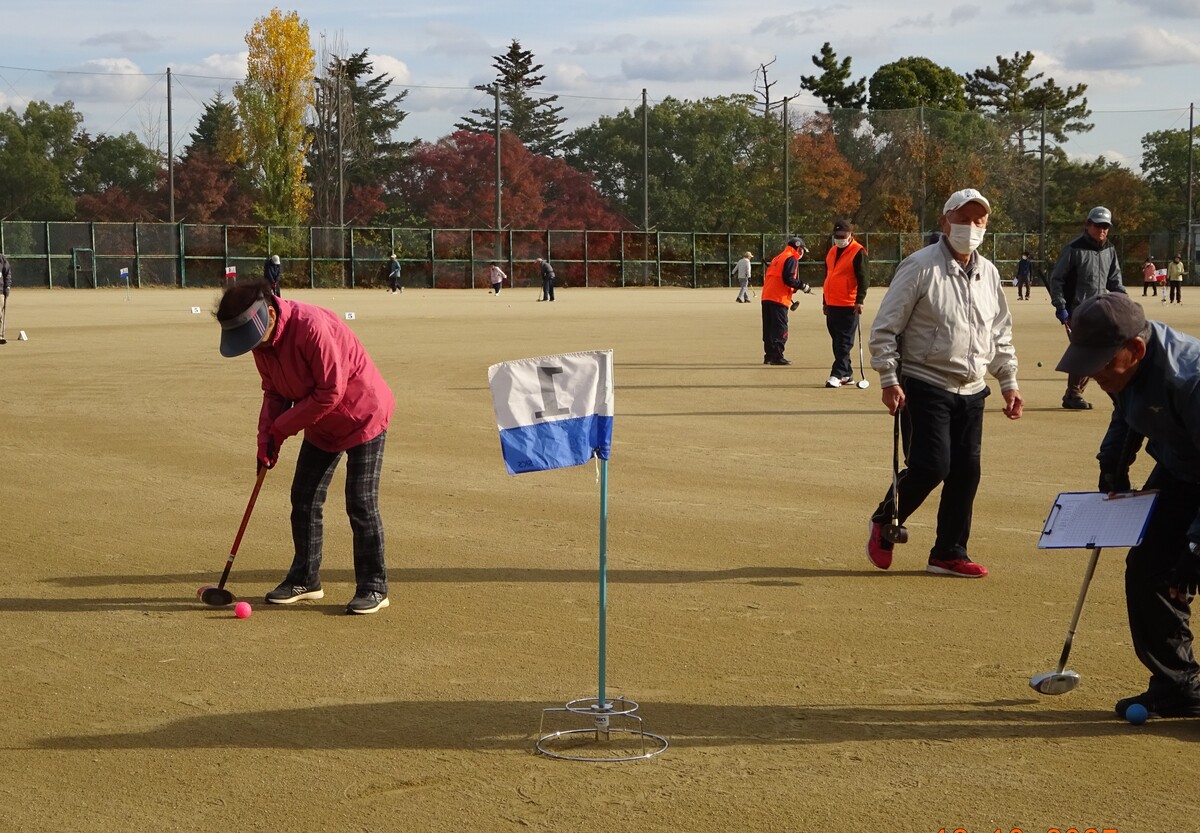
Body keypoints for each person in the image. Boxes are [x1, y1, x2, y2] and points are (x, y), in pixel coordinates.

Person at [1055, 292, 1200, 719]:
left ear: (1135, 349)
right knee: (1150, 568)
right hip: (1182, 465)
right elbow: (1126, 411)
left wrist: (1195, 546)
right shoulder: (1124, 371)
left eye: (1099, 362)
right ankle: (1180, 687)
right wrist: (1113, 464)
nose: (1091, 374)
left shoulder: (1191, 379)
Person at [866, 188, 1023, 578]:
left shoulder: (989, 273)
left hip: (973, 387)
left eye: (979, 220)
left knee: (966, 472)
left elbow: (999, 333)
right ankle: (886, 521)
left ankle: (949, 552)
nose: (971, 227)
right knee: (931, 465)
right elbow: (885, 328)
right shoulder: (919, 266)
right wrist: (888, 377)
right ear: (945, 221)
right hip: (923, 380)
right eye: (963, 218)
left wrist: (1008, 380)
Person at [215, 281, 396, 615]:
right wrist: (265, 439)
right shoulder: (262, 343)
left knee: (360, 502)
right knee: (304, 498)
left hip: (363, 414)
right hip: (320, 423)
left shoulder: (311, 326)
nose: (253, 346)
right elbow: (274, 392)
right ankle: (306, 578)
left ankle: (374, 585)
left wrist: (281, 429)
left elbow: (331, 390)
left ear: (269, 313)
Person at [1047, 205, 1127, 411]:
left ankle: (1074, 395)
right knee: (1086, 351)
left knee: (1097, 352)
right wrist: (1060, 306)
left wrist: (1124, 300)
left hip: (1102, 309)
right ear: (1088, 225)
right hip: (1078, 309)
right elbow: (1057, 279)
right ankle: (1074, 394)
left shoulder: (1110, 249)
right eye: (1098, 225)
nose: (1102, 230)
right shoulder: (1073, 248)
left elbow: (1114, 280)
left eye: (1105, 227)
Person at [821, 219, 868, 387]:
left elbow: (864, 278)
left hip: (849, 304)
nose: (839, 238)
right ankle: (847, 373)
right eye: (837, 235)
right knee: (836, 340)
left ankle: (837, 373)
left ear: (850, 235)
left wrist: (860, 300)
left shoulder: (858, 251)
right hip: (833, 303)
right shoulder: (832, 251)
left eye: (843, 235)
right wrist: (825, 301)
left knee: (844, 341)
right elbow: (828, 277)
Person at [760, 236, 811, 365]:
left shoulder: (777, 257)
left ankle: (769, 356)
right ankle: (777, 356)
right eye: (803, 250)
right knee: (780, 328)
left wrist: (793, 289)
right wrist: (802, 285)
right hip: (779, 299)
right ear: (798, 248)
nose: (802, 253)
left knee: (769, 328)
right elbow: (788, 279)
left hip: (767, 296)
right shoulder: (791, 258)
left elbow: (779, 279)